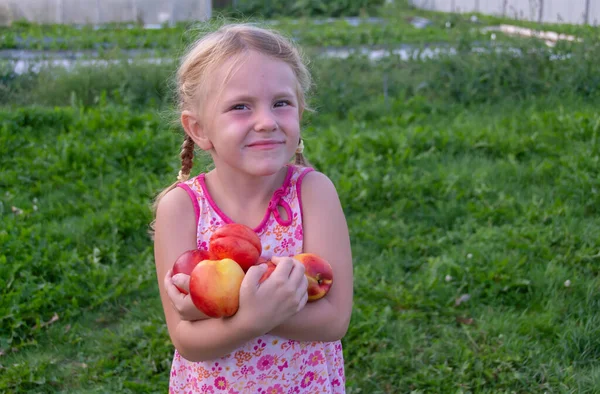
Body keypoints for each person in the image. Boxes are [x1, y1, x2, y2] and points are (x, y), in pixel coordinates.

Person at [151, 22, 353, 394]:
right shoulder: (181, 208)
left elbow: (334, 319)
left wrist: (230, 309)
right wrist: (252, 317)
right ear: (198, 129)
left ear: (300, 110)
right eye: (240, 107)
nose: (266, 121)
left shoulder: (312, 193)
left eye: (281, 103)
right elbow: (185, 338)